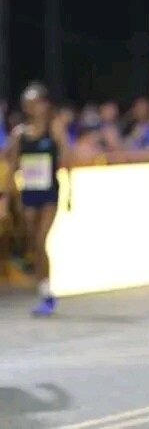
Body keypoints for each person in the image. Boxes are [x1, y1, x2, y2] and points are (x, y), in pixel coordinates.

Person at [6, 81, 71, 316]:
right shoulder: (19, 134)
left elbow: (67, 158)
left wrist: (70, 192)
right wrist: (6, 198)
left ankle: (46, 292)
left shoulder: (54, 128)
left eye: (36, 103)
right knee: (34, 243)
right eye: (28, 104)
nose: (33, 108)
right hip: (29, 193)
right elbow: (12, 167)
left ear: (45, 104)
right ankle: (44, 289)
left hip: (49, 192)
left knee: (41, 238)